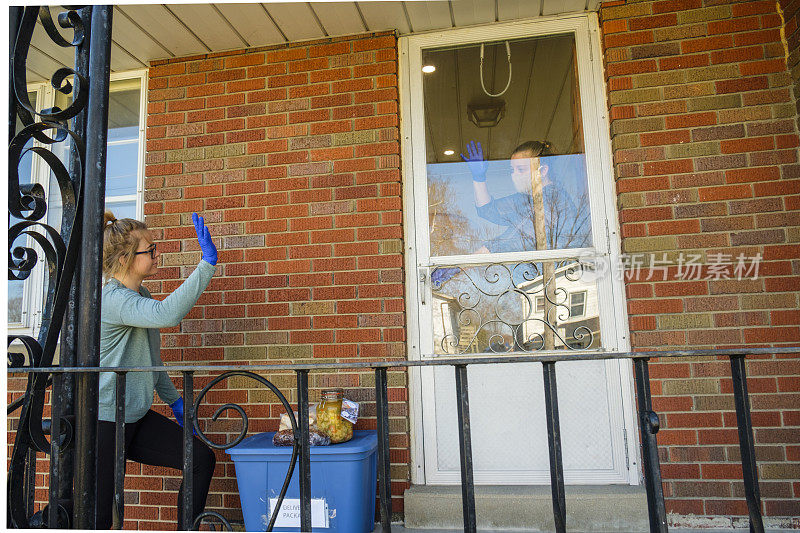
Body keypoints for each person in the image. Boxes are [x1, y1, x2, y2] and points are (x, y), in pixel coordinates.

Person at [96, 211, 218, 529]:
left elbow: (151, 358)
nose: (156, 253)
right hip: (105, 421)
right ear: (125, 258)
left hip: (134, 416)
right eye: (149, 249)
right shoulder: (113, 300)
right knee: (99, 516)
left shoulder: (141, 295)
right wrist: (206, 264)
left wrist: (174, 401)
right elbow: (168, 314)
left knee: (201, 459)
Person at [461, 139, 553, 254]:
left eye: (521, 169)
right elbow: (488, 210)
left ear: (543, 170)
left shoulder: (552, 201)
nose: (514, 175)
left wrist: (461, 265)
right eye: (512, 170)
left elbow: (511, 239)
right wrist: (479, 177)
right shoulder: (527, 198)